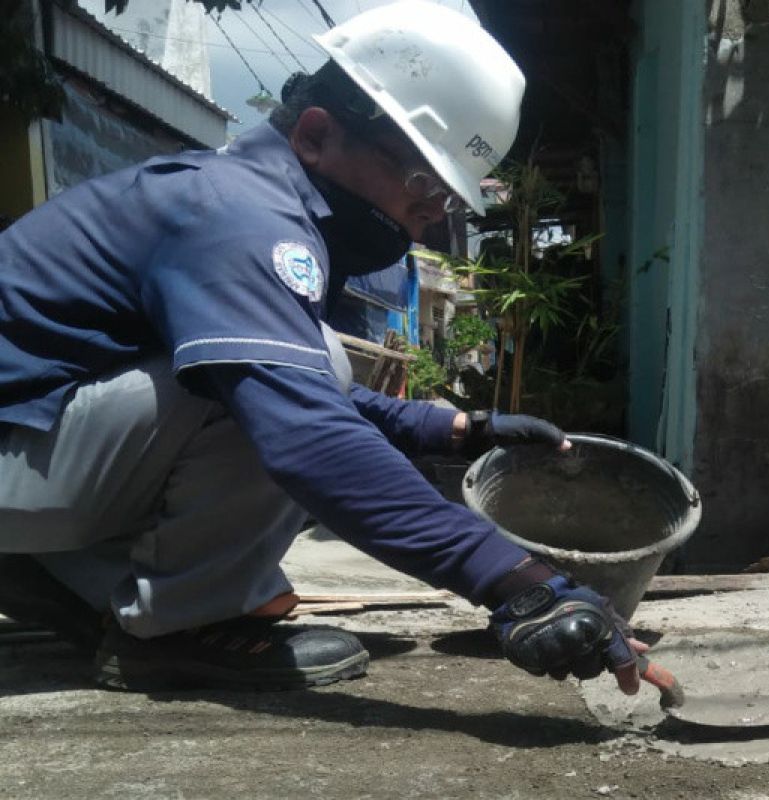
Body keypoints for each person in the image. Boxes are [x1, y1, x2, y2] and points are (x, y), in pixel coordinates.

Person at [0, 1, 646, 694]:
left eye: (447, 202)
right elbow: (303, 427)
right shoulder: (238, 218)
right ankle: (173, 631)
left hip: (30, 445)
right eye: (423, 182)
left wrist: (454, 429)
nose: (431, 216)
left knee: (289, 364)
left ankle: (60, 577)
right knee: (279, 382)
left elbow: (294, 384)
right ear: (315, 134)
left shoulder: (238, 199)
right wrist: (516, 581)